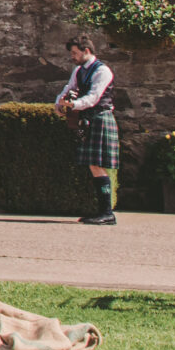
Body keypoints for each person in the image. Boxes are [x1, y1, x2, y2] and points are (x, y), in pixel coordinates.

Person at [56, 37, 119, 225]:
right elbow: (68, 89)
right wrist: (59, 103)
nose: (72, 57)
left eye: (75, 53)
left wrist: (73, 104)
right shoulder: (78, 71)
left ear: (86, 51)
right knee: (94, 165)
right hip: (88, 120)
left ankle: (107, 213)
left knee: (97, 165)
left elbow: (93, 98)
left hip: (100, 118)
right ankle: (104, 212)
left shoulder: (102, 71)